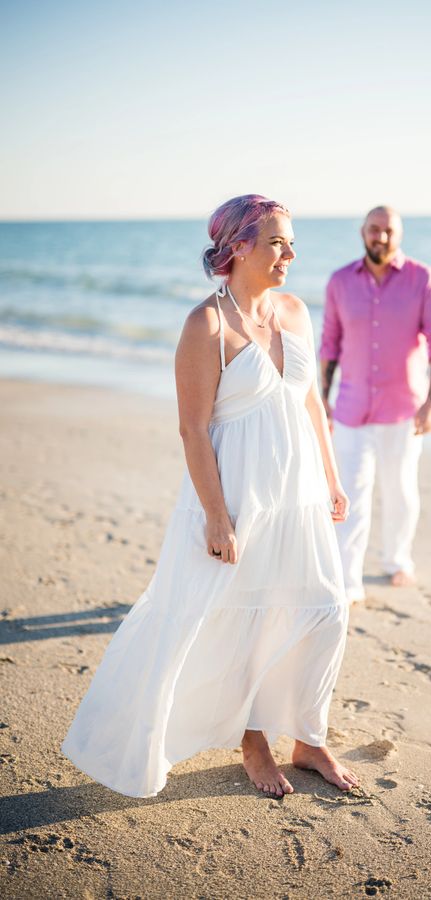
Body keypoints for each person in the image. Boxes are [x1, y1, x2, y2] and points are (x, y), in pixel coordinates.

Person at [62, 194, 359, 799]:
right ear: (239, 246)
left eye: (291, 242)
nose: (290, 254)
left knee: (326, 609)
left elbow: (311, 406)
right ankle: (253, 740)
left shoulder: (296, 312)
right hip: (239, 496)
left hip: (298, 493)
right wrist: (217, 517)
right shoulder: (206, 324)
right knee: (239, 618)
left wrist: (330, 478)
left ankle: (307, 735)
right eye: (277, 242)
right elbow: (192, 429)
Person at [320, 205, 431, 601]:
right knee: (350, 496)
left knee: (400, 491)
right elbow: (329, 343)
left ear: (400, 234)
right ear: (362, 232)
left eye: (389, 231)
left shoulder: (423, 279)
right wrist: (321, 401)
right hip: (351, 409)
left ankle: (397, 561)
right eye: (375, 230)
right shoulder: (340, 282)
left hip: (402, 410)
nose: (382, 237)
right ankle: (347, 582)